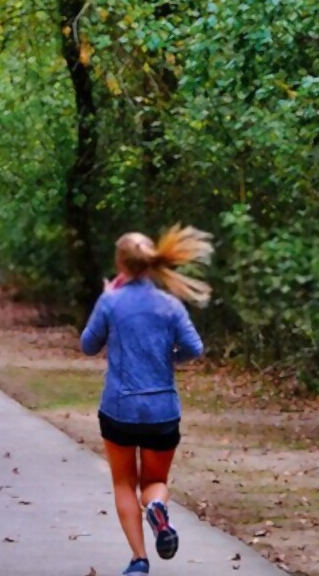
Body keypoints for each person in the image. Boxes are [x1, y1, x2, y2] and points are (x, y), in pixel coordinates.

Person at [80, 225, 213, 575]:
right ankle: (157, 509)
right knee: (154, 482)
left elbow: (88, 345)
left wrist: (108, 298)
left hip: (119, 410)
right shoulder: (169, 305)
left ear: (120, 263)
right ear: (151, 263)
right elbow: (194, 349)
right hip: (162, 411)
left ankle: (139, 561)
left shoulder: (110, 301)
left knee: (123, 482)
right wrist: (166, 360)